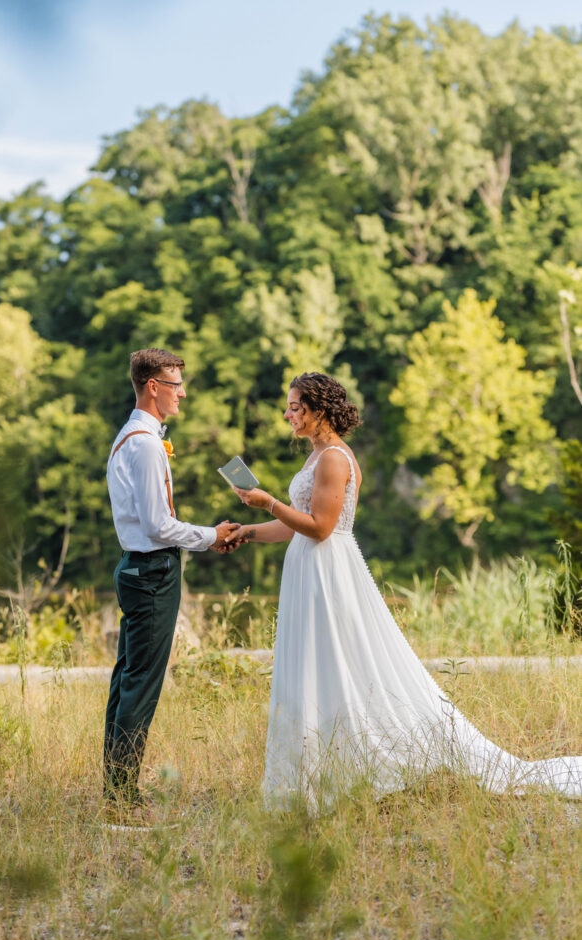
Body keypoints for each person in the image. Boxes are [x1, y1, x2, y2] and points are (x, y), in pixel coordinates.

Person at [227, 371, 582, 812]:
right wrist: (250, 531)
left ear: (319, 410)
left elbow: (321, 528)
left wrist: (268, 501)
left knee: (338, 662)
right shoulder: (314, 457)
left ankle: (347, 770)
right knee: (313, 664)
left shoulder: (335, 459)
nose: (288, 414)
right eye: (289, 406)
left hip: (328, 571)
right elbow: (295, 524)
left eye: (295, 406)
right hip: (307, 569)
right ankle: (313, 773)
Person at [103, 348, 239, 812]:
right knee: (141, 681)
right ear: (153, 387)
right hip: (153, 570)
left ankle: (116, 786)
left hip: (144, 566)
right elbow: (159, 525)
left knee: (129, 676)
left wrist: (205, 540)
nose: (182, 392)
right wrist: (210, 536)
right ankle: (121, 793)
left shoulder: (138, 437)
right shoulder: (142, 444)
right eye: (175, 384)